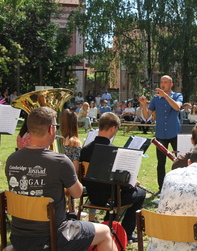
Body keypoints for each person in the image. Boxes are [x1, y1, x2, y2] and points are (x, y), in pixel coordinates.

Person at [5, 107, 116, 251]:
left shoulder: (12, 159)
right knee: (105, 232)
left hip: (19, 236)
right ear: (51, 129)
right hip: (54, 236)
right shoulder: (60, 161)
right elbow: (77, 193)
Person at [79, 112, 146, 242]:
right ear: (113, 128)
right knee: (141, 193)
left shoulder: (85, 149)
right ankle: (126, 231)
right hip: (111, 198)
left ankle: (109, 222)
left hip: (92, 195)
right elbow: (122, 183)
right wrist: (131, 183)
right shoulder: (115, 152)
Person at [139, 75, 183, 192]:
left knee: (180, 162)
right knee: (161, 163)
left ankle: (180, 187)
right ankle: (161, 188)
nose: (162, 84)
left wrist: (166, 96)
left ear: (171, 85)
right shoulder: (155, 99)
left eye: (165, 82)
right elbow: (147, 116)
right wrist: (144, 105)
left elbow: (177, 107)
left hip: (174, 133)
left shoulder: (177, 96)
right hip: (160, 134)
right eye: (161, 82)